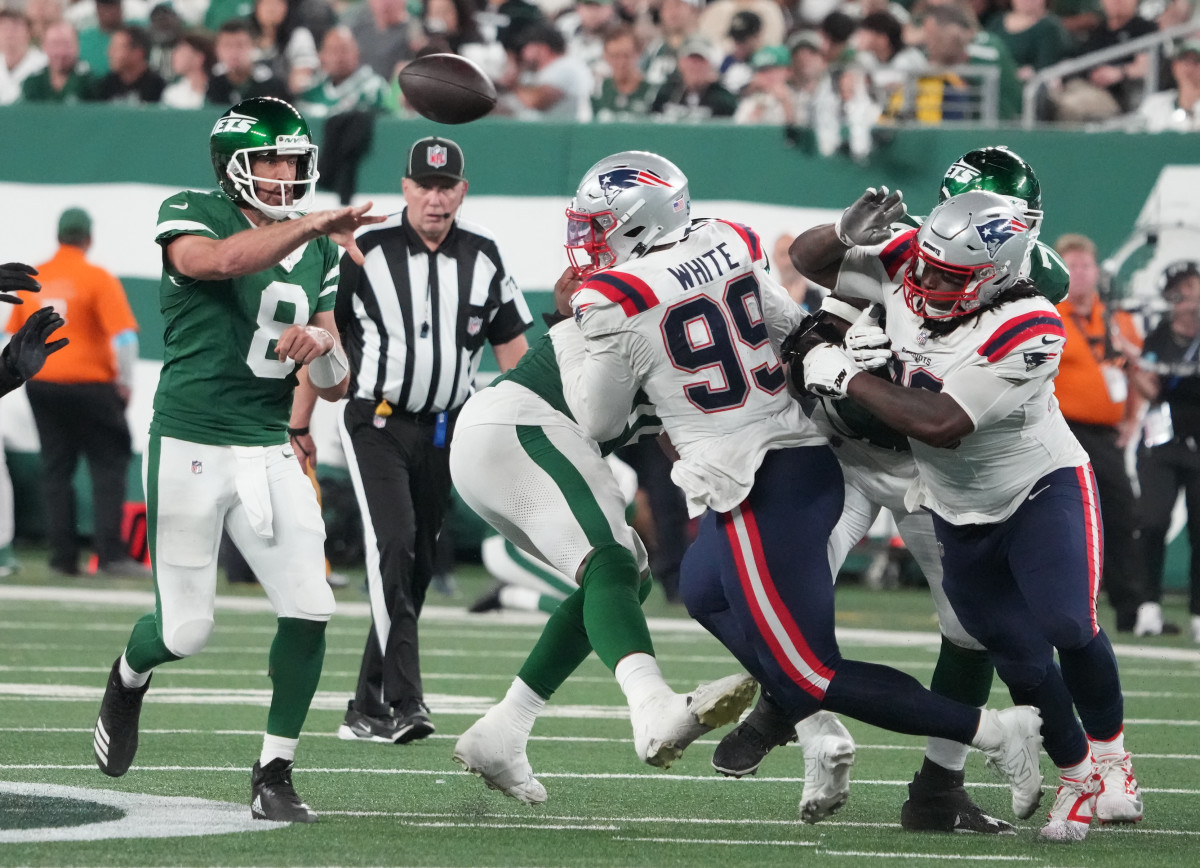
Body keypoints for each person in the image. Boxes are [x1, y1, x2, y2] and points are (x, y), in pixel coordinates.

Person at [558, 150, 1046, 826]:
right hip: (797, 454)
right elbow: (789, 330)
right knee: (703, 588)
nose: (586, 238)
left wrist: (589, 347)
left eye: (599, 224)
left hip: (764, 475)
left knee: (811, 671)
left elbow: (598, 419)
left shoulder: (608, 298)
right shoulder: (725, 237)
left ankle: (994, 732)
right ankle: (807, 723)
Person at [715, 148, 1060, 837]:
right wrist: (847, 260)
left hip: (935, 465)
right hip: (843, 452)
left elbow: (945, 397)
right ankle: (786, 707)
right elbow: (823, 274)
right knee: (774, 588)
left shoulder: (1034, 288)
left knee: (969, 629)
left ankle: (939, 785)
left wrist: (866, 361)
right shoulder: (917, 247)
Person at [793, 188, 1142, 841]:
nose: (923, 280)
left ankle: (1114, 763)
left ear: (994, 275)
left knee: (1066, 619)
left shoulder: (1030, 323)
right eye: (923, 263)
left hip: (1036, 485)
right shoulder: (916, 256)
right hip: (955, 505)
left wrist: (846, 375)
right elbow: (808, 259)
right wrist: (843, 231)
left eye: (947, 275)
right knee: (1014, 654)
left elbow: (944, 421)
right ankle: (1077, 776)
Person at [91, 96, 383, 823]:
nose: (287, 173)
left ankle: (274, 772)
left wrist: (323, 349)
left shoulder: (316, 249)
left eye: (294, 161)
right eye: (273, 160)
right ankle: (128, 677)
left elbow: (336, 377)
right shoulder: (193, 210)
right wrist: (311, 223)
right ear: (233, 169)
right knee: (186, 631)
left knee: (312, 605)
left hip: (266, 444)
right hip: (190, 439)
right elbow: (218, 262)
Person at [450, 264, 757, 803]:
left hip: (508, 439)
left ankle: (505, 729)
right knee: (610, 562)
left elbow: (675, 437)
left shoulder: (673, 317)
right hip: (523, 427)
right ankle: (653, 706)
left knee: (624, 578)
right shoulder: (637, 305)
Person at [333, 136, 532, 745]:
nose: (436, 197)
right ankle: (405, 701)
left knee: (414, 565)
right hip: (378, 422)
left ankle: (364, 704)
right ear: (406, 188)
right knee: (394, 546)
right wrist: (295, 426)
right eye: (425, 184)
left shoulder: (485, 254)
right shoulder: (364, 249)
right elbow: (323, 333)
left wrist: (535, 426)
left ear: (462, 190)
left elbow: (514, 351)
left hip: (448, 430)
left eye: (448, 186)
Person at [5, 208, 144, 579]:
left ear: (59, 235)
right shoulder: (97, 278)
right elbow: (126, 338)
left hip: (42, 383)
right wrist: (126, 381)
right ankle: (111, 555)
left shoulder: (35, 277)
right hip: (91, 385)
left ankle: (62, 558)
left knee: (56, 468)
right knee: (108, 465)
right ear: (87, 238)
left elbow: (12, 335)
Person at [1054, 232, 1159, 635]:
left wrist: (1132, 418)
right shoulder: (1050, 314)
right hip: (1062, 430)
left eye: (1086, 265)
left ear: (1098, 272)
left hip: (1105, 433)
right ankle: (1068, 604)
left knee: (1121, 513)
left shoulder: (1117, 319)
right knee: (1067, 517)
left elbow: (1138, 374)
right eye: (1073, 266)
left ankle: (1131, 609)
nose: (1081, 274)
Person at [1129, 260, 1200, 645]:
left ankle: (1198, 613)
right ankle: (1148, 606)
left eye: (1191, 287)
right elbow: (1151, 389)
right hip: (1162, 442)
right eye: (1179, 289)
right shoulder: (1158, 336)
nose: (1187, 297)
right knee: (1152, 520)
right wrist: (1132, 363)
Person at [207, 18, 290, 106]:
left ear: (253, 46)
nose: (233, 52)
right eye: (227, 45)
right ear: (217, 48)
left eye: (240, 45)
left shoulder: (272, 85)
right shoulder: (208, 82)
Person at [19, 20, 97, 103]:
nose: (60, 52)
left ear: (77, 46)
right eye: (55, 44)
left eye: (66, 44)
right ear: (44, 46)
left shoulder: (90, 81)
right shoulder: (33, 82)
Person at [93, 24, 166, 103]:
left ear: (138, 53)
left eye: (116, 48)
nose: (109, 53)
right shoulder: (106, 85)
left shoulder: (158, 87)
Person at [0, 9, 47, 105]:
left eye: (15, 29)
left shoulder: (44, 63)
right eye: (4, 29)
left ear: (28, 33)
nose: (9, 34)